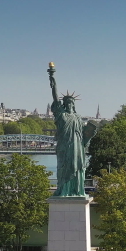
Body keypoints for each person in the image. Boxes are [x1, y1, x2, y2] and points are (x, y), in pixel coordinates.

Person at [48, 63, 98, 197]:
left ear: (74, 105)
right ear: (63, 105)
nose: (69, 104)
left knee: (77, 168)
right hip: (65, 146)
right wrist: (52, 77)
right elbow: (55, 95)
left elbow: (83, 135)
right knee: (64, 169)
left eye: (71, 102)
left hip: (76, 147)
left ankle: (76, 190)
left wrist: (90, 134)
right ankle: (64, 190)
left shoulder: (77, 117)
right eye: (67, 102)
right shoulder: (61, 115)